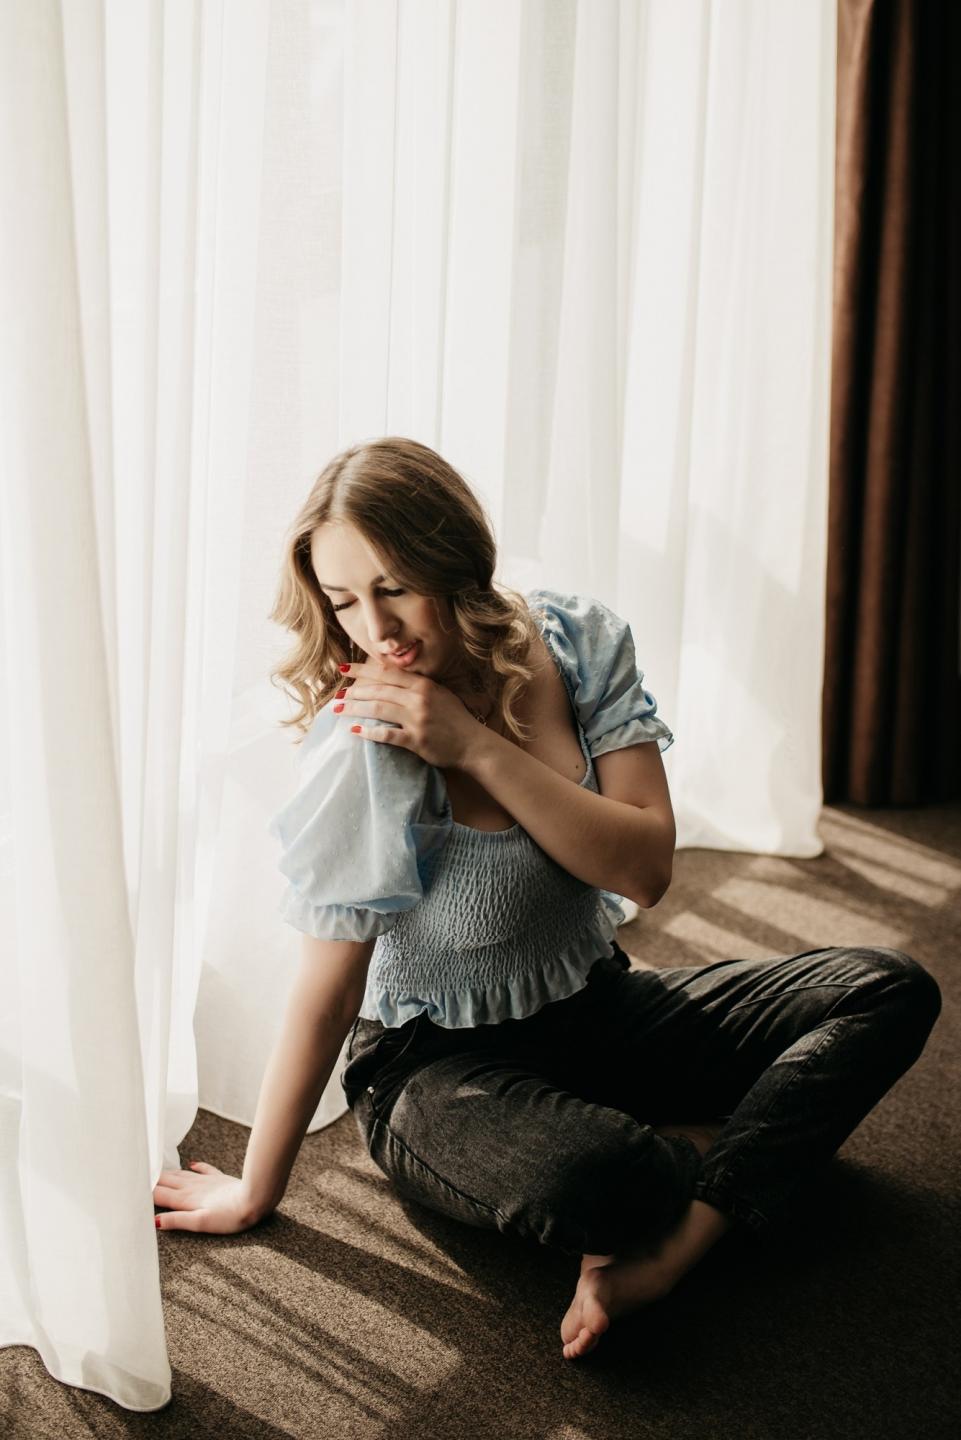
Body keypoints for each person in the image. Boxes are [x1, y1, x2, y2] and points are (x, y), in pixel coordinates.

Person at [152, 437, 942, 1362]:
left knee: (885, 988)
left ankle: (681, 1240)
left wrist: (475, 747)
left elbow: (644, 869)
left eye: (395, 586)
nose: (377, 629)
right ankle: (703, 1160)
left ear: (455, 557)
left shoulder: (576, 642)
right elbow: (327, 990)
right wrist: (255, 1190)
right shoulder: (365, 739)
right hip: (435, 1069)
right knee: (603, 1176)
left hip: (599, 1006)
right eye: (343, 600)